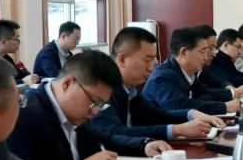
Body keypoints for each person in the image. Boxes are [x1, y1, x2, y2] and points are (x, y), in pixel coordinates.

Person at [8, 49, 173, 160]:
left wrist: (144, 145)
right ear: (67, 84)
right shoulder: (23, 117)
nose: (95, 111)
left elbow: (102, 139)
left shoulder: (77, 111)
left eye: (101, 105)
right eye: (94, 101)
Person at [88, 26, 221, 142]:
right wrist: (176, 130)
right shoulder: (102, 90)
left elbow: (156, 115)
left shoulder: (132, 90)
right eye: (147, 60)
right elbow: (114, 132)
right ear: (122, 60)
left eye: (153, 60)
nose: (151, 68)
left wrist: (190, 114)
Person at [142, 27, 241, 115]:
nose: (206, 57)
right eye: (203, 51)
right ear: (184, 52)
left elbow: (204, 95)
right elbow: (180, 107)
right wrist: (225, 107)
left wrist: (197, 102)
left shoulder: (190, 73)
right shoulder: (163, 77)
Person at [0, 19, 38, 84]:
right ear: (3, 41)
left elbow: (22, 75)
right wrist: (22, 81)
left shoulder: (6, 58)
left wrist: (33, 78)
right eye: (17, 39)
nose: (19, 43)